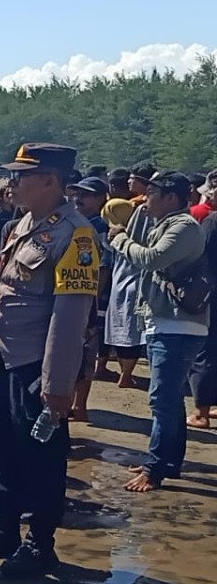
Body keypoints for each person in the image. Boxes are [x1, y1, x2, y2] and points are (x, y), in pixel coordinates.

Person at [0, 143, 98, 577]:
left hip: (37, 367)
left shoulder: (76, 236)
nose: (11, 184)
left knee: (41, 458)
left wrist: (57, 385)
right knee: (1, 449)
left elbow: (69, 317)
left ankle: (39, 544)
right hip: (6, 358)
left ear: (50, 181)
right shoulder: (25, 225)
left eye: (21, 176)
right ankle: (3, 529)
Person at [110, 172, 208, 493]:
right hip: (165, 322)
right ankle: (168, 461)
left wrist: (120, 238)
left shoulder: (183, 227)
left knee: (161, 400)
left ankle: (155, 469)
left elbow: (151, 259)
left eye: (151, 192)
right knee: (169, 400)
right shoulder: (162, 224)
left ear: (171, 197)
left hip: (178, 325)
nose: (144, 197)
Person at [65, 177, 112, 420]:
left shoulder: (99, 227)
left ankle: (80, 406)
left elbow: (103, 268)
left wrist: (91, 302)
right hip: (75, 295)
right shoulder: (77, 222)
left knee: (85, 354)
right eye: (78, 194)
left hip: (91, 300)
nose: (79, 199)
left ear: (101, 198)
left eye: (87, 195)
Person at [102, 196, 144, 388]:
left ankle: (124, 374)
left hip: (118, 286)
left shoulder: (113, 235)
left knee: (120, 330)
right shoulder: (141, 232)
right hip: (136, 285)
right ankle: (126, 375)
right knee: (131, 333)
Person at [188, 214, 217, 429]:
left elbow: (201, 255)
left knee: (205, 351)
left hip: (212, 294)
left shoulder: (213, 221)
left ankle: (201, 413)